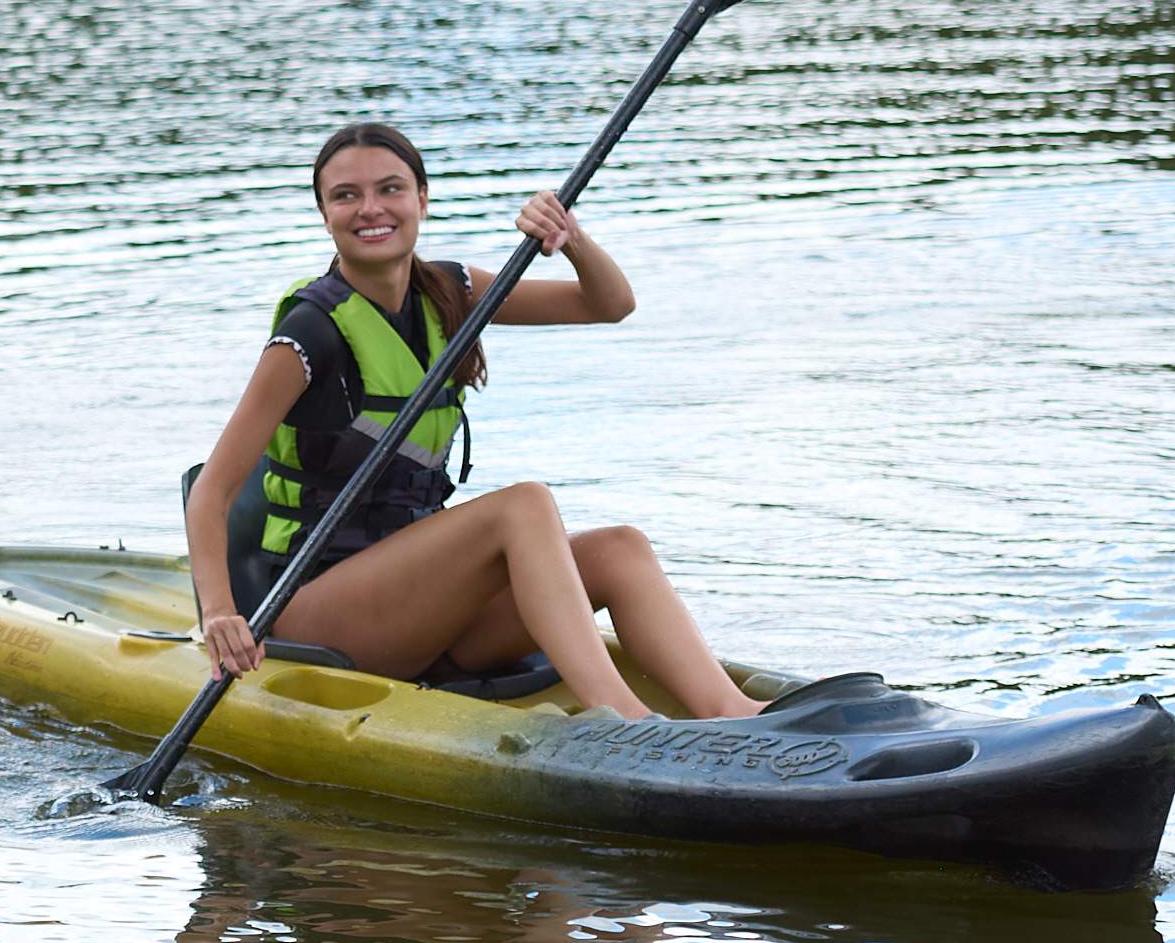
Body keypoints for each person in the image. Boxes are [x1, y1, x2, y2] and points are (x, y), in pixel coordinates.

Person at [182, 121, 762, 722]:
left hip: (425, 609)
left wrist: (569, 237)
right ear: (325, 214)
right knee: (523, 504)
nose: (370, 209)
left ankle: (736, 713)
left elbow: (609, 304)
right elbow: (212, 491)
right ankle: (624, 720)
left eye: (390, 189)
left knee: (620, 548)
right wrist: (220, 612)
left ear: (422, 200)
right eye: (346, 196)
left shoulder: (449, 292)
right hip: (322, 613)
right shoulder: (309, 333)